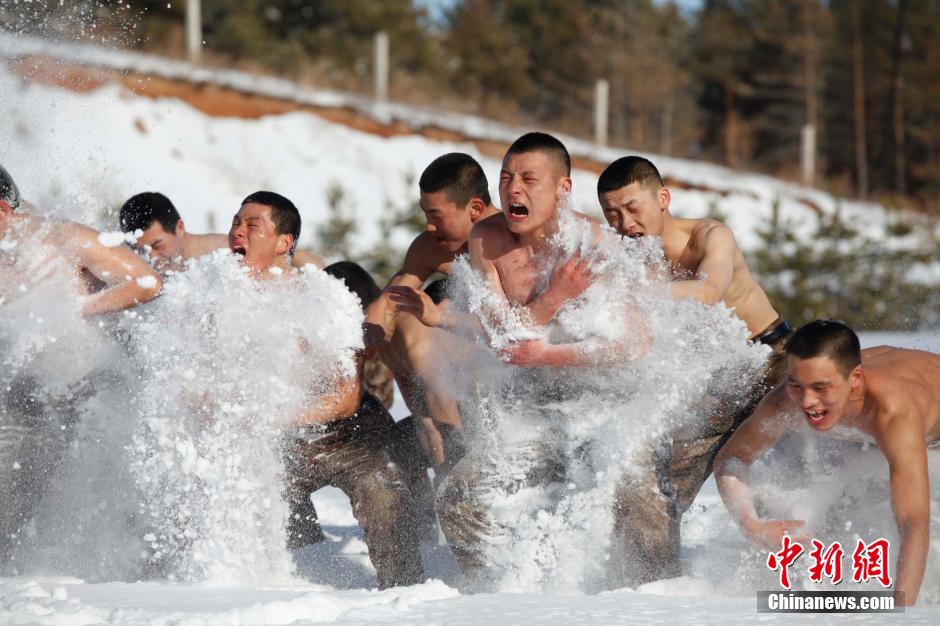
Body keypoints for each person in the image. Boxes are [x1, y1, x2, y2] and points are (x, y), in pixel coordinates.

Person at [432, 133, 648, 583]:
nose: (513, 190)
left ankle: (648, 600)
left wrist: (547, 353)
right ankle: (493, 597)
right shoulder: (486, 240)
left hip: (601, 406)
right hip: (529, 408)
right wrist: (553, 300)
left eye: (529, 179)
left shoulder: (594, 245)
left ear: (562, 189)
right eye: (507, 177)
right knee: (459, 500)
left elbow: (632, 345)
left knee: (639, 497)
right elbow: (502, 338)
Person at [596, 155, 793, 585]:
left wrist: (644, 293)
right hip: (715, 379)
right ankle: (648, 590)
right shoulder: (632, 258)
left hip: (772, 360)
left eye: (632, 208)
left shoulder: (709, 236)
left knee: (796, 474)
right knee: (651, 484)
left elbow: (709, 291)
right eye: (612, 214)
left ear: (663, 198)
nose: (624, 222)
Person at [1, 164, 163, 570]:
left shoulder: (61, 237)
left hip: (89, 390)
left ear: (3, 209)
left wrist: (76, 310)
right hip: (24, 398)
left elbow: (146, 282)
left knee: (83, 495)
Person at [714, 320, 940, 606]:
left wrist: (899, 612)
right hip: (868, 412)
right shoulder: (786, 401)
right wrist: (750, 524)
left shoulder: (893, 413)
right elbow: (733, 458)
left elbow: (913, 521)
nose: (807, 401)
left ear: (855, 379)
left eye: (821, 387)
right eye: (796, 384)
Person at [366, 153, 499, 471]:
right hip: (461, 376)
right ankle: (442, 493)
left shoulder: (513, 244)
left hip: (519, 373)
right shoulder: (432, 246)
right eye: (425, 213)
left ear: (475, 209)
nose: (428, 225)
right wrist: (368, 336)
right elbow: (390, 300)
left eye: (436, 215)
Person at [120, 191, 323, 273]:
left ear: (180, 228)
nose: (150, 257)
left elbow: (309, 262)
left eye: (157, 245)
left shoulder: (217, 251)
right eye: (140, 250)